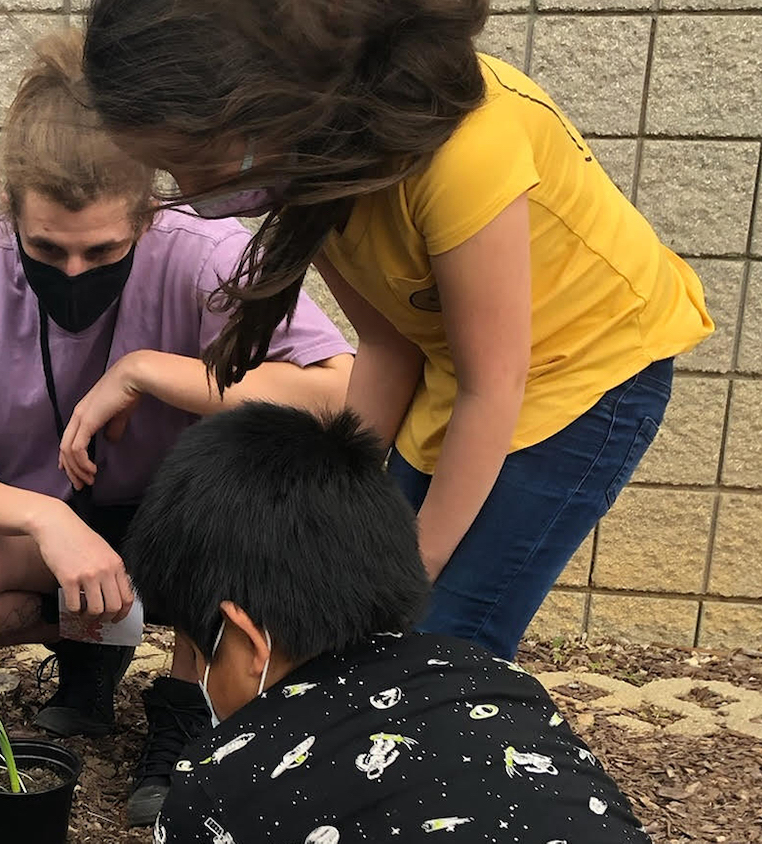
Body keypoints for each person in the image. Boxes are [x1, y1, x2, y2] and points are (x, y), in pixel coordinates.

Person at [80, 0, 714, 661]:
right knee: (364, 606)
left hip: (588, 375)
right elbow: (389, 343)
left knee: (442, 637)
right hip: (461, 371)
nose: (186, 188)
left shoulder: (467, 153)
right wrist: (334, 503)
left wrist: (408, 576)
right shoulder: (313, 153)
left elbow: (493, 386)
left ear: (253, 95)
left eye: (188, 158)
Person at [0, 29, 354, 828]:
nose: (74, 273)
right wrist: (45, 518)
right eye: (46, 249)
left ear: (148, 215)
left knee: (253, 506)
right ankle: (93, 645)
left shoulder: (207, 252)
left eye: (103, 250)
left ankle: (184, 699)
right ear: (11, 215)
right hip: (62, 526)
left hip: (196, 535)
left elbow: (339, 392)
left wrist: (148, 372)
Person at [124, 402, 653, 844]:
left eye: (197, 652)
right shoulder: (500, 680)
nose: (199, 674)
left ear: (244, 637)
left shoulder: (219, 787)